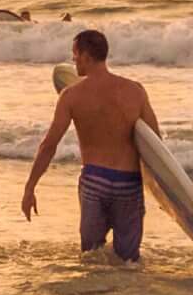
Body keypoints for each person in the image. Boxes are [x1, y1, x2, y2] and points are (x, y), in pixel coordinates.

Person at [21, 27, 156, 262]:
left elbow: (49, 145)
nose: (73, 61)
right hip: (129, 184)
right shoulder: (135, 91)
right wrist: (164, 193)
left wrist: (30, 187)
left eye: (75, 55)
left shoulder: (72, 96)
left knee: (91, 259)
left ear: (85, 56)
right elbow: (155, 143)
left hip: (95, 182)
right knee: (129, 262)